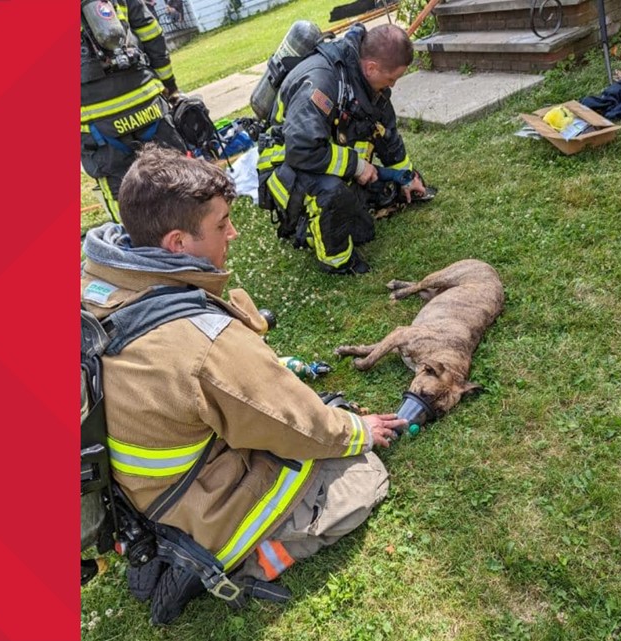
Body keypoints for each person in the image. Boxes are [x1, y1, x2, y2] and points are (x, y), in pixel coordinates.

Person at [81, 145, 408, 622]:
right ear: (176, 243)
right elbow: (291, 422)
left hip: (128, 492)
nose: (232, 232)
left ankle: (167, 543)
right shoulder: (203, 345)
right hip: (192, 501)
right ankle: (230, 561)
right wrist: (357, 431)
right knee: (360, 478)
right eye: (221, 224)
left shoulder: (96, 276)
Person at [257, 24, 426, 275]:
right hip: (285, 169)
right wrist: (357, 166)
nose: (394, 85)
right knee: (332, 194)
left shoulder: (363, 82)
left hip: (320, 156)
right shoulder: (321, 82)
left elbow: (385, 134)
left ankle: (343, 204)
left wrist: (408, 177)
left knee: (364, 229)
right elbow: (302, 150)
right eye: (392, 78)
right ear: (371, 68)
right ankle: (336, 260)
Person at [81, 0, 185, 223]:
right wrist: (170, 85)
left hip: (98, 121)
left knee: (122, 195)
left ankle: (135, 251)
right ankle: (191, 240)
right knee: (178, 177)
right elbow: (151, 32)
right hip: (147, 102)